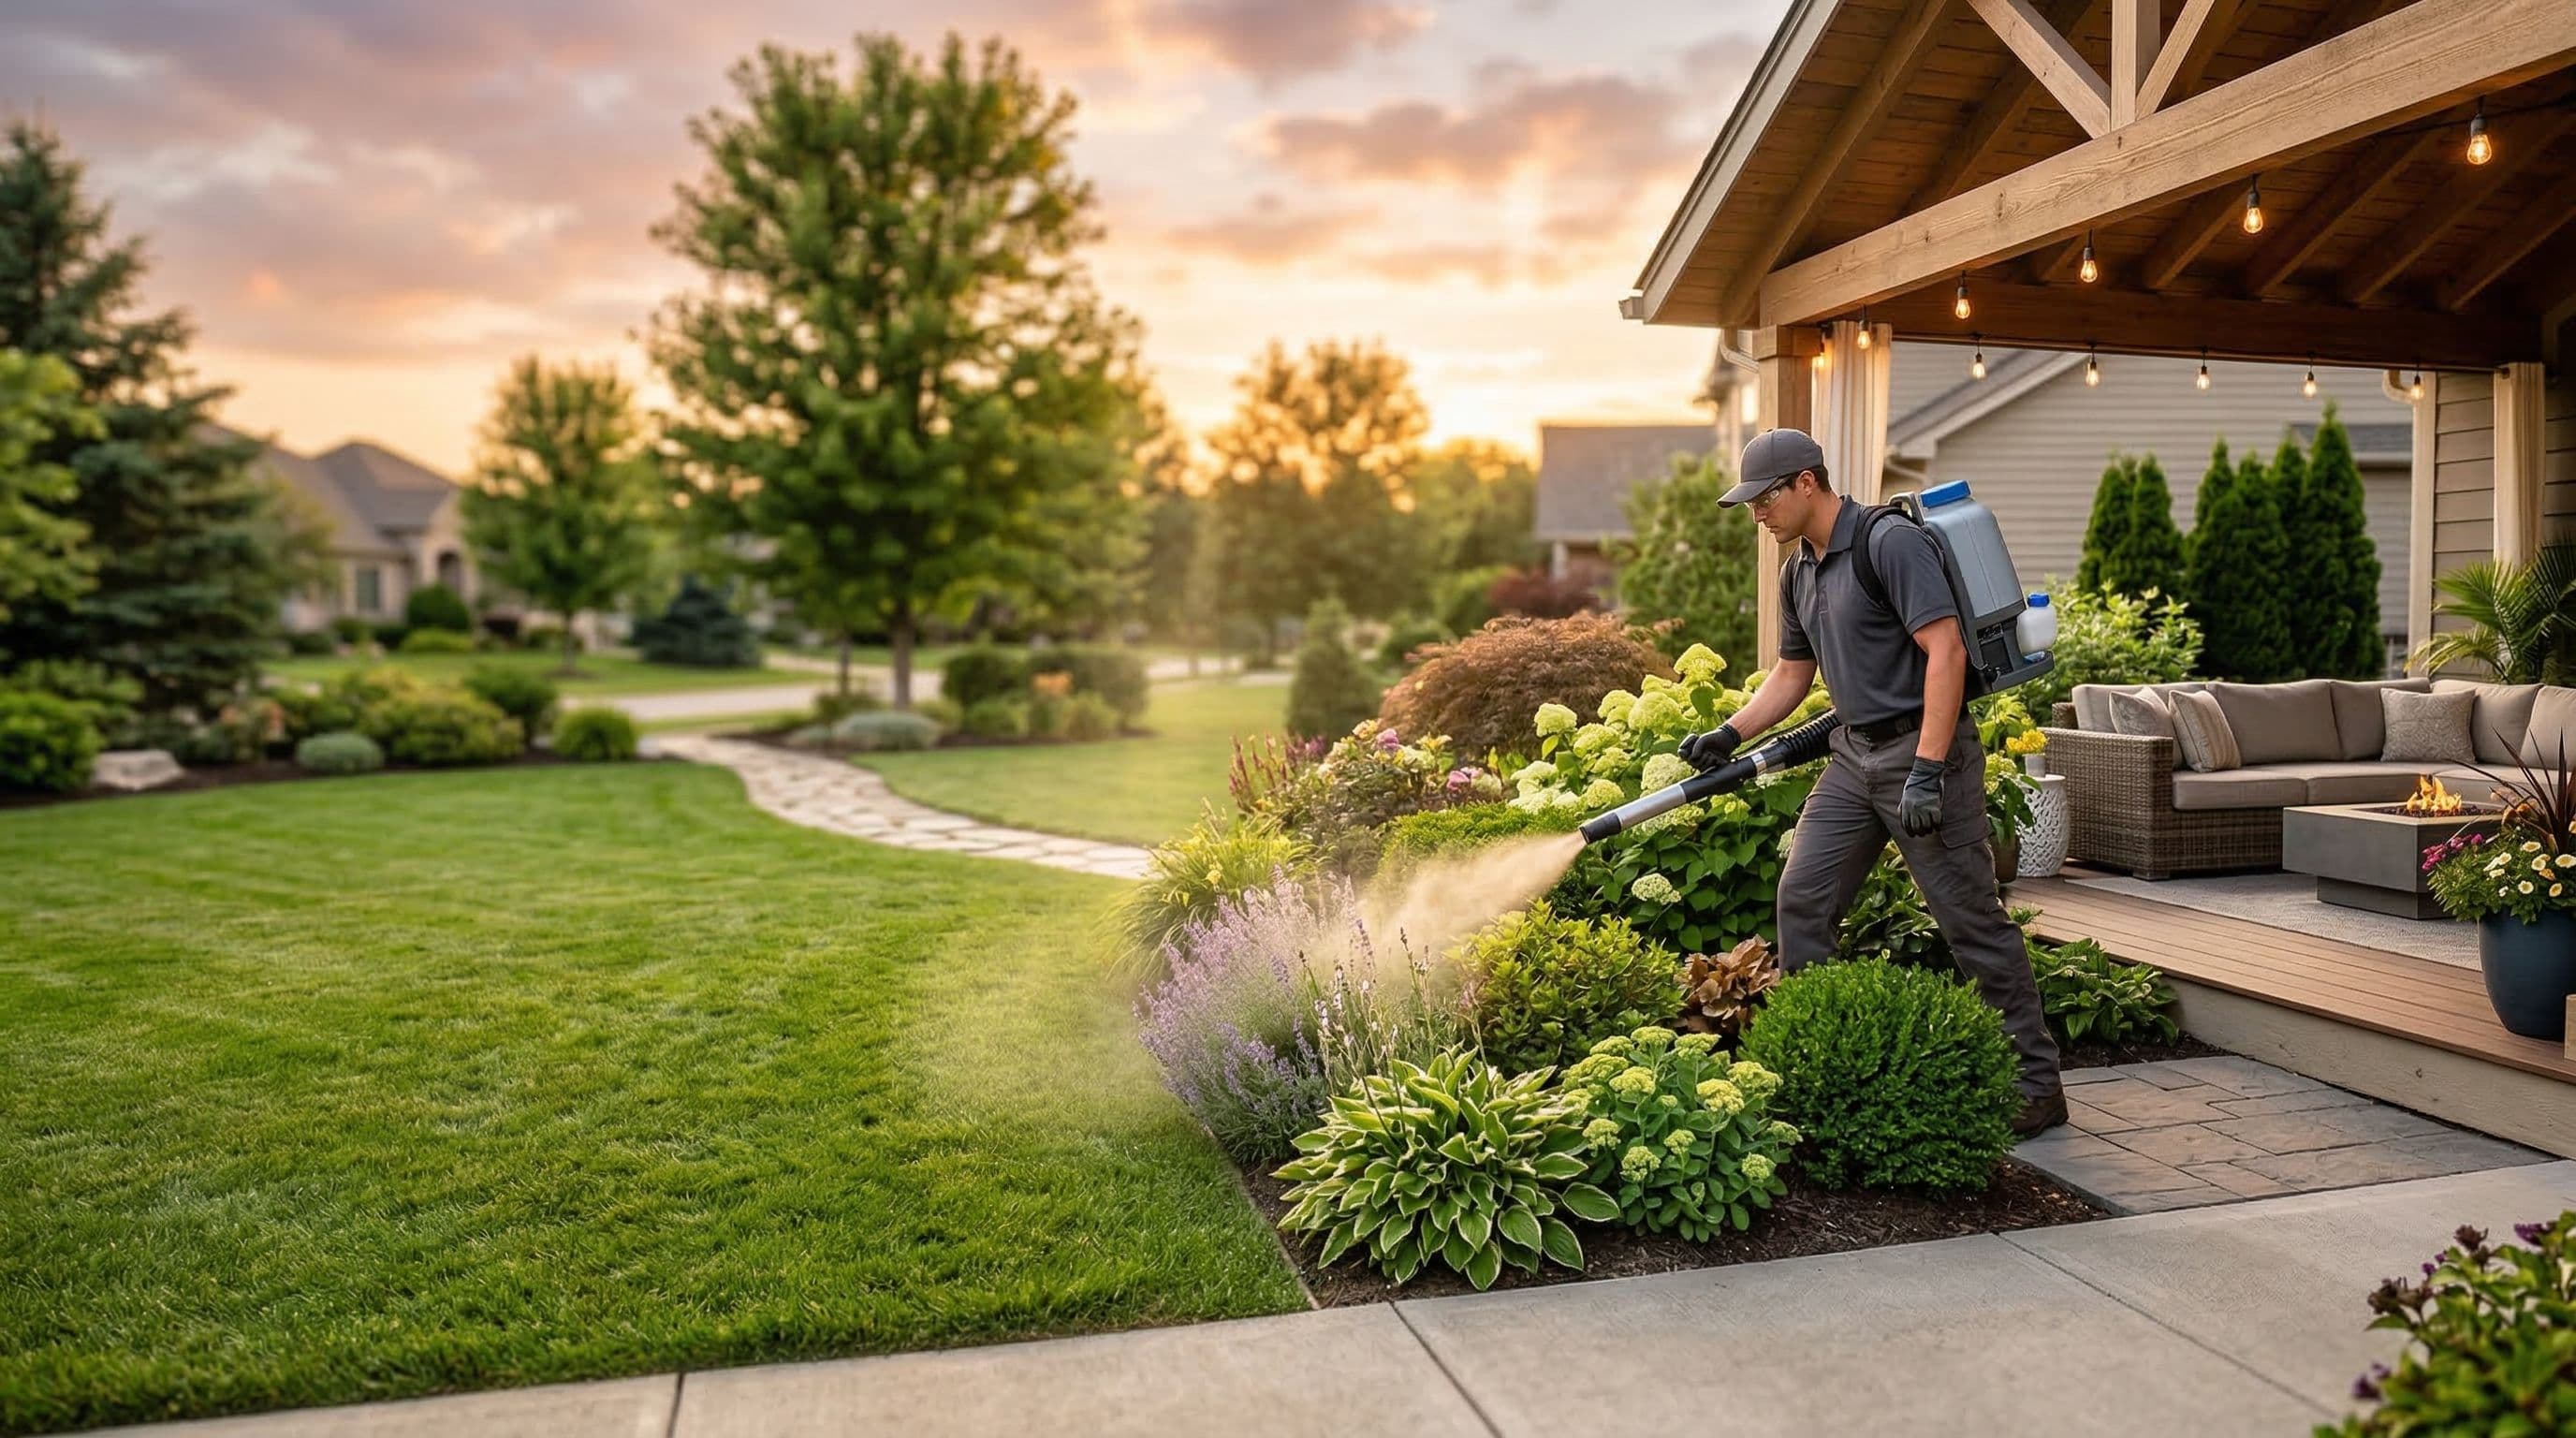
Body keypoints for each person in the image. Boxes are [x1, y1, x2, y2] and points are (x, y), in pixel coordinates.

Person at [1681, 428, 2064, 1136]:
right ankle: (1819, 1061)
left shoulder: (1889, 544)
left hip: (1927, 755)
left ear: (1806, 483)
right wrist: (1730, 732)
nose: (1756, 515)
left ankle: (2036, 1086)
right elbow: (1794, 675)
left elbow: (1945, 652)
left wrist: (1926, 769)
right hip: (1854, 758)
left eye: (1763, 500)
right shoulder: (1799, 570)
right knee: (1802, 898)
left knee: (1971, 921)